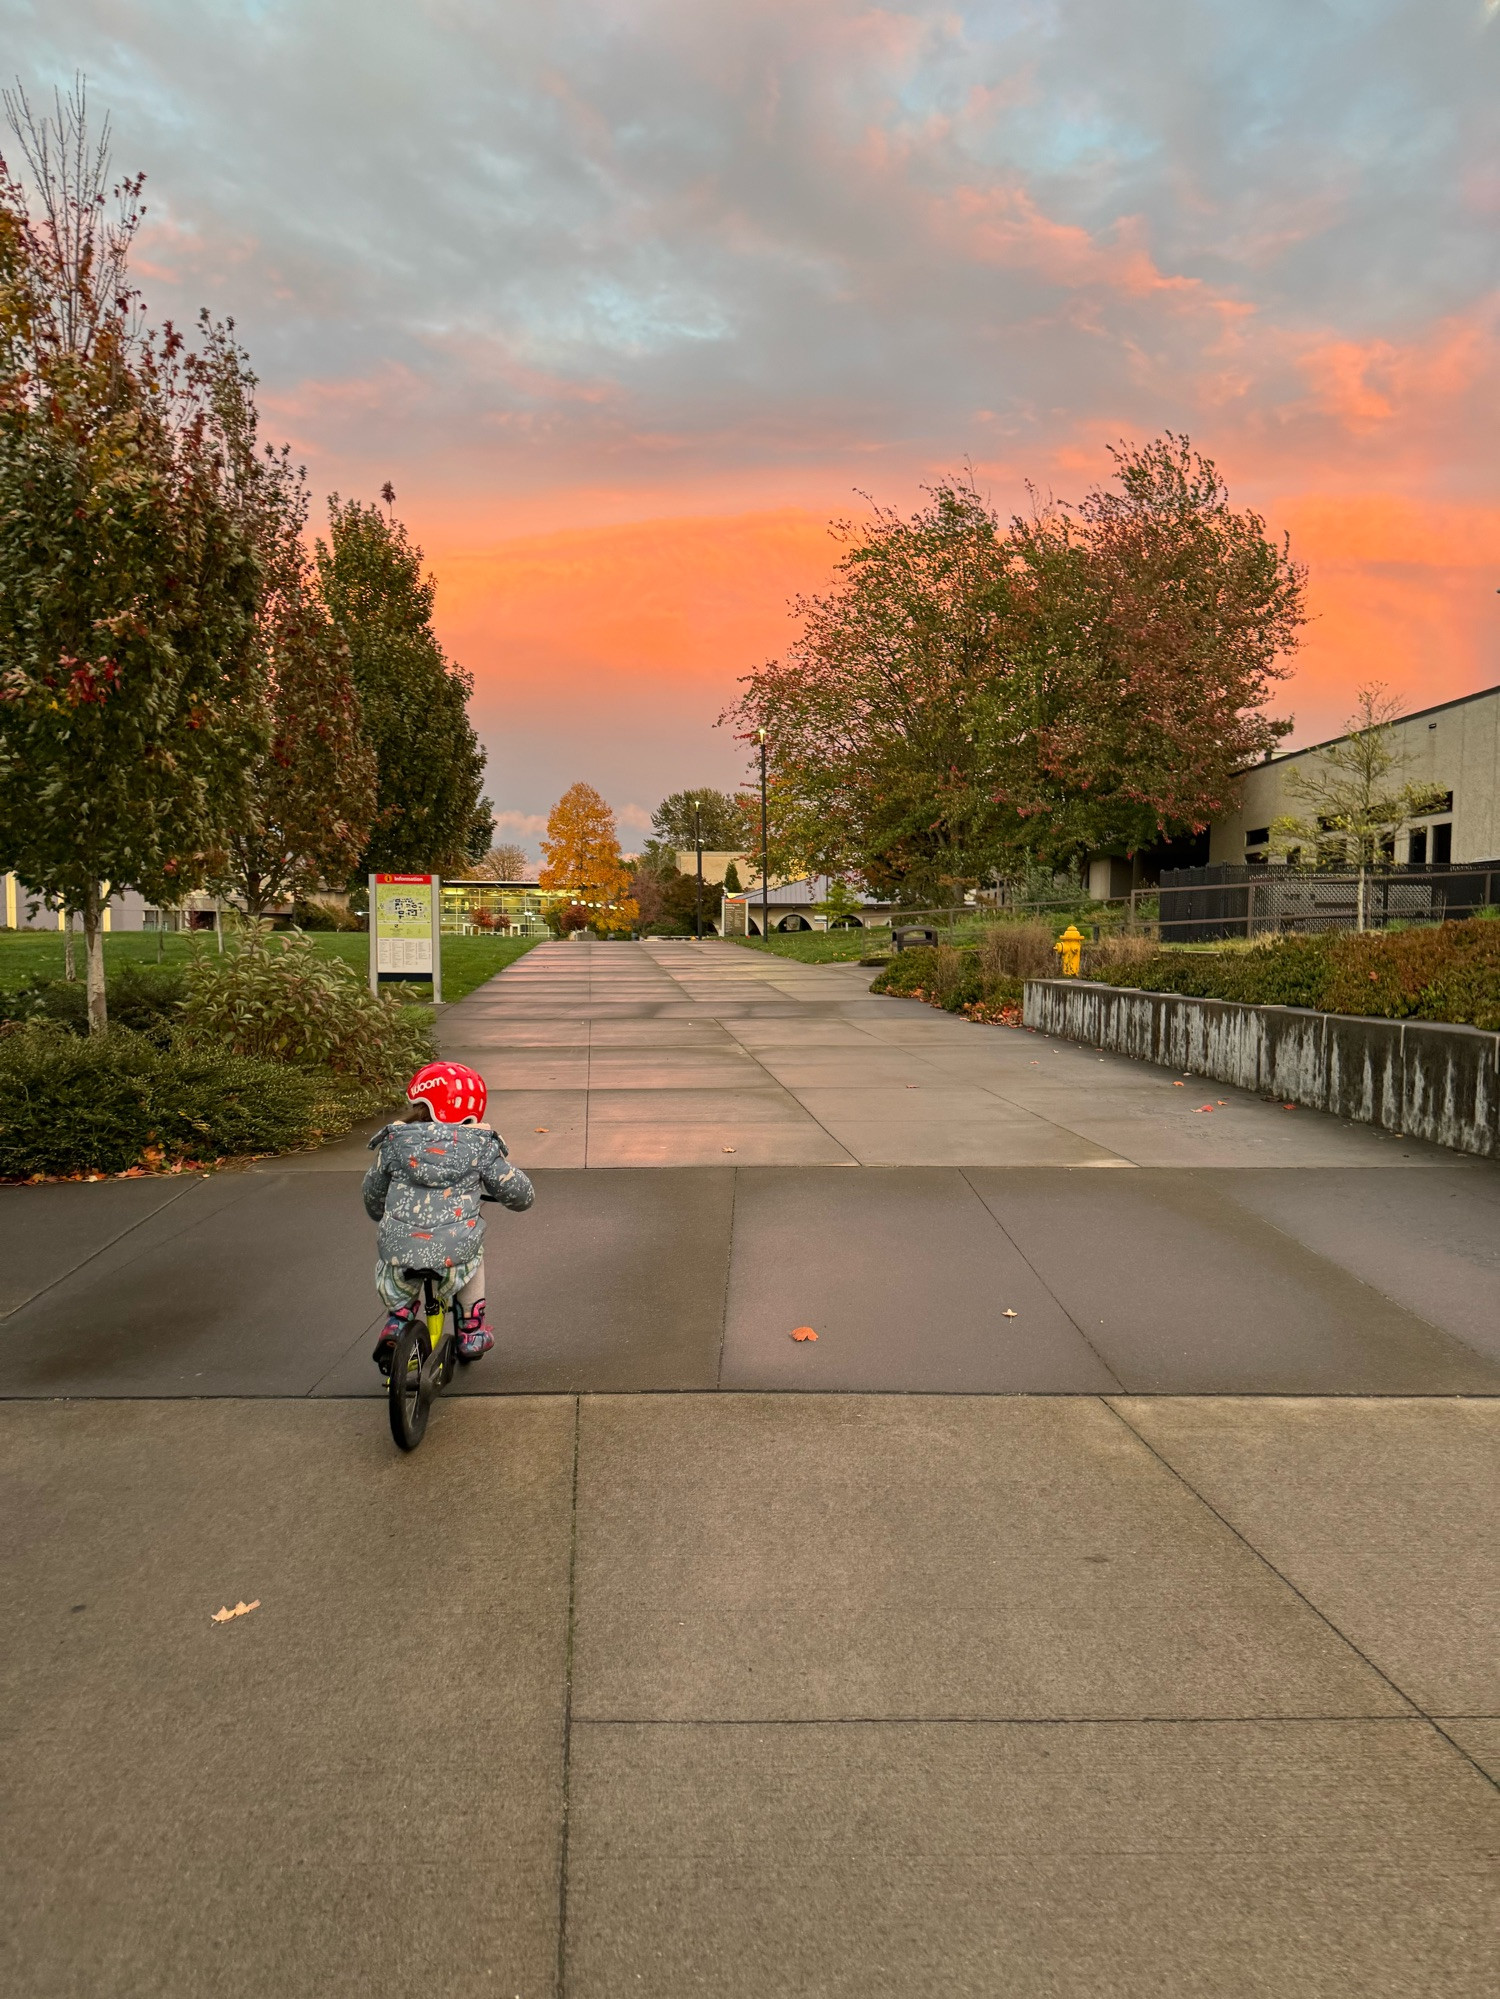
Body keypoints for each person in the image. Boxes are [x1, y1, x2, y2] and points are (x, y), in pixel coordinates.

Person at [363, 1060, 534, 1374]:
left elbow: (373, 1192)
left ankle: (398, 1319)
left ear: (419, 1101)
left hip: (400, 1248)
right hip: (454, 1251)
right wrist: (517, 1197)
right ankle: (471, 1328)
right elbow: (519, 1195)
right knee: (471, 1258)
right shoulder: (479, 1146)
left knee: (397, 1272)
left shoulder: (394, 1142)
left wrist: (379, 1214)